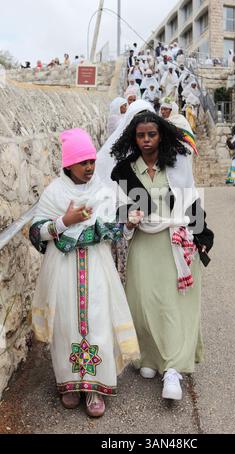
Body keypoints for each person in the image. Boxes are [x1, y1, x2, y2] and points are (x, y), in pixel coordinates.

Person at [29, 128, 140, 417]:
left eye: (92, 160)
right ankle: (69, 384)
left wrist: (127, 225)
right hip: (62, 271)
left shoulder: (103, 191)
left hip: (97, 268)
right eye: (84, 162)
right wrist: (64, 221)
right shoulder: (54, 192)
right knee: (66, 323)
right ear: (68, 165)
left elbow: (112, 229)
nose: (90, 167)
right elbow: (37, 232)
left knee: (97, 321)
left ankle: (93, 388)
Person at [110, 112, 214, 401]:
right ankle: (149, 359)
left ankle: (173, 369)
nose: (146, 141)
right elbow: (115, 210)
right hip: (143, 243)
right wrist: (128, 218)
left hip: (176, 244)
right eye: (140, 135)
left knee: (172, 305)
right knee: (143, 302)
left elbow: (191, 202)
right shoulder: (124, 171)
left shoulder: (176, 165)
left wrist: (203, 236)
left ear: (161, 135)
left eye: (151, 135)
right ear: (134, 137)